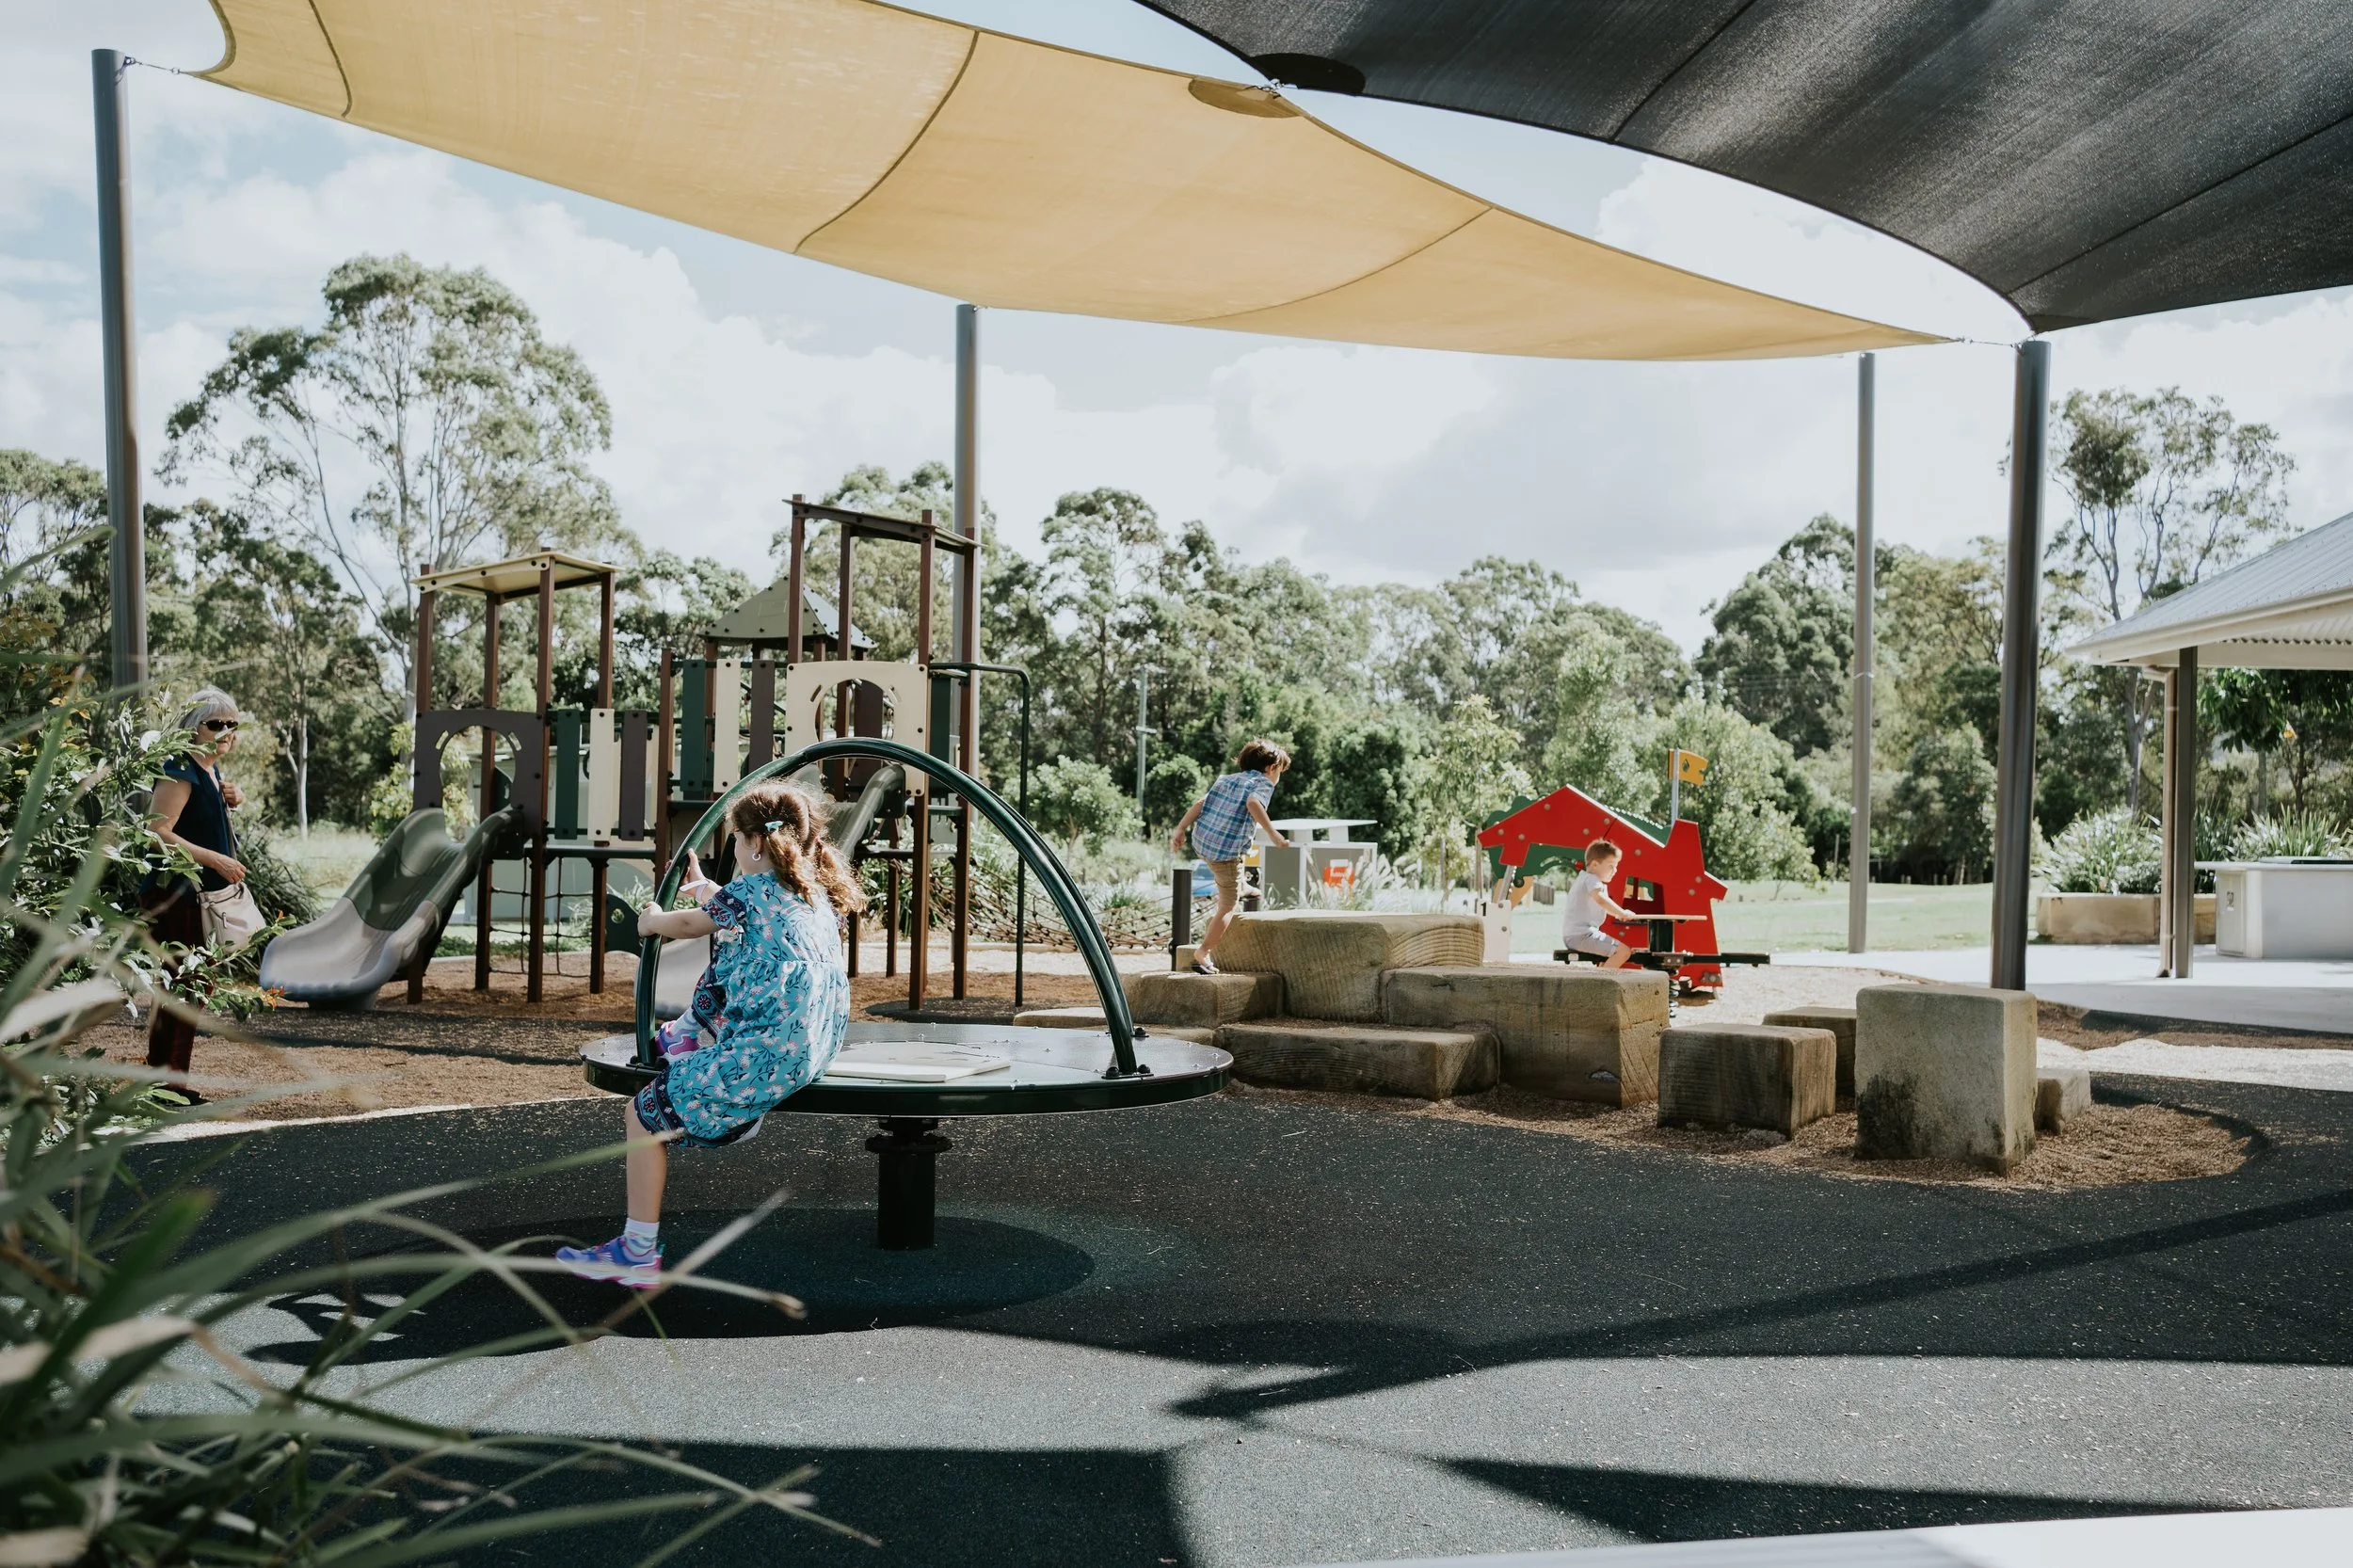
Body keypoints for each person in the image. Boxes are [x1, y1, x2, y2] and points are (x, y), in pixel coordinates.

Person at [557, 780, 862, 1288]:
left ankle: (637, 1252)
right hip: (811, 1047)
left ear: (755, 843)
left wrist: (652, 922)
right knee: (738, 954)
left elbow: (690, 926)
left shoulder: (750, 894)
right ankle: (694, 1041)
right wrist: (705, 888)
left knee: (642, 1115)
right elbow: (742, 913)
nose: (735, 848)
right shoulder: (811, 894)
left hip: (767, 1054)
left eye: (736, 840)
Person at [143, 687, 248, 1100]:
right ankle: (166, 1086)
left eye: (232, 724)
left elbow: (198, 821)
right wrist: (215, 860)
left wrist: (234, 800)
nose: (226, 732)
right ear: (193, 728)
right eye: (215, 723)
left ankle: (165, 1082)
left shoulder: (210, 772)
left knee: (187, 988)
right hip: (175, 894)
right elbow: (157, 833)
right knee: (186, 987)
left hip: (196, 895)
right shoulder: (180, 769)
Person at [1171, 740, 1291, 975]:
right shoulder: (1264, 784)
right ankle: (1203, 951)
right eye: (1280, 772)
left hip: (1203, 842)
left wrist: (1180, 828)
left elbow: (1201, 803)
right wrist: (1274, 834)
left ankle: (1242, 884)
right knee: (1228, 905)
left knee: (1239, 852)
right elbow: (1253, 803)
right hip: (1224, 853)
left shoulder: (1227, 779)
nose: (1278, 777)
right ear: (1271, 768)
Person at [1561, 839, 1641, 970]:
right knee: (1623, 952)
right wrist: (1622, 912)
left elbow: (1601, 902)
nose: (1615, 870)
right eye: (1611, 866)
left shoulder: (1584, 878)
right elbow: (1601, 899)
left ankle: (1600, 977)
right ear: (1595, 865)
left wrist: (1617, 914)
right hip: (1582, 935)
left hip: (1576, 935)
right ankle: (1601, 982)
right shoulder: (1592, 879)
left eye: (1616, 866)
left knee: (1615, 953)